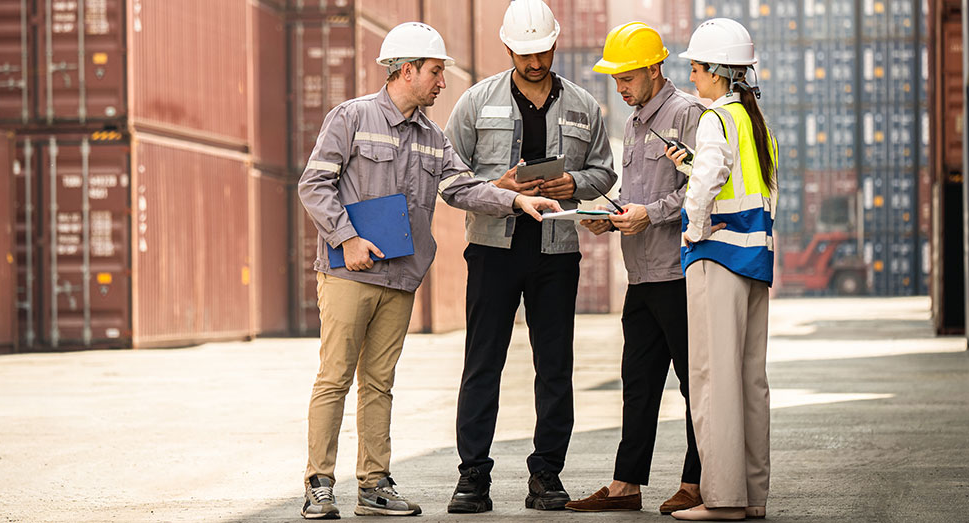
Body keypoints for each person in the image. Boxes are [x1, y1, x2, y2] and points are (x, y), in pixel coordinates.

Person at [296, 21, 562, 520]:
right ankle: (319, 483)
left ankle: (374, 485)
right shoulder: (351, 118)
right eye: (437, 72)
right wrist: (346, 238)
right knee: (334, 379)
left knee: (379, 383)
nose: (443, 82)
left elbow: (462, 188)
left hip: (400, 278)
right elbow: (314, 186)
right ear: (407, 70)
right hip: (351, 273)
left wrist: (514, 201)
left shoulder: (432, 137)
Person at [442, 0, 615, 513]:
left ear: (554, 44)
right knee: (483, 363)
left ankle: (547, 475)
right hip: (493, 250)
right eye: (524, 53)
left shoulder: (585, 105)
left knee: (555, 365)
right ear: (508, 47)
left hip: (556, 251)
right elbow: (450, 181)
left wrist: (574, 183)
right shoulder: (474, 102)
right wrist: (499, 187)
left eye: (542, 51)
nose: (534, 62)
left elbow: (604, 173)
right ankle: (472, 476)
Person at [563, 22, 706, 515]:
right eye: (615, 79)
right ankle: (627, 486)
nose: (619, 88)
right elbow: (638, 194)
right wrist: (612, 214)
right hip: (641, 275)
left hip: (679, 274)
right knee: (638, 382)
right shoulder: (635, 121)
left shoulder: (689, 115)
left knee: (694, 384)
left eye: (626, 77)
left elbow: (701, 191)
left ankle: (698, 481)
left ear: (653, 68)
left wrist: (651, 214)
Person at [665, 18, 777, 521]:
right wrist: (692, 166)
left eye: (695, 67)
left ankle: (723, 499)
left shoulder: (715, 118)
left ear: (716, 70)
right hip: (755, 259)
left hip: (717, 257)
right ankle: (751, 497)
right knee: (750, 379)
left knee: (713, 378)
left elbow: (710, 180)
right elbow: (740, 181)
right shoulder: (755, 122)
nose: (691, 77)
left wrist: (692, 226)